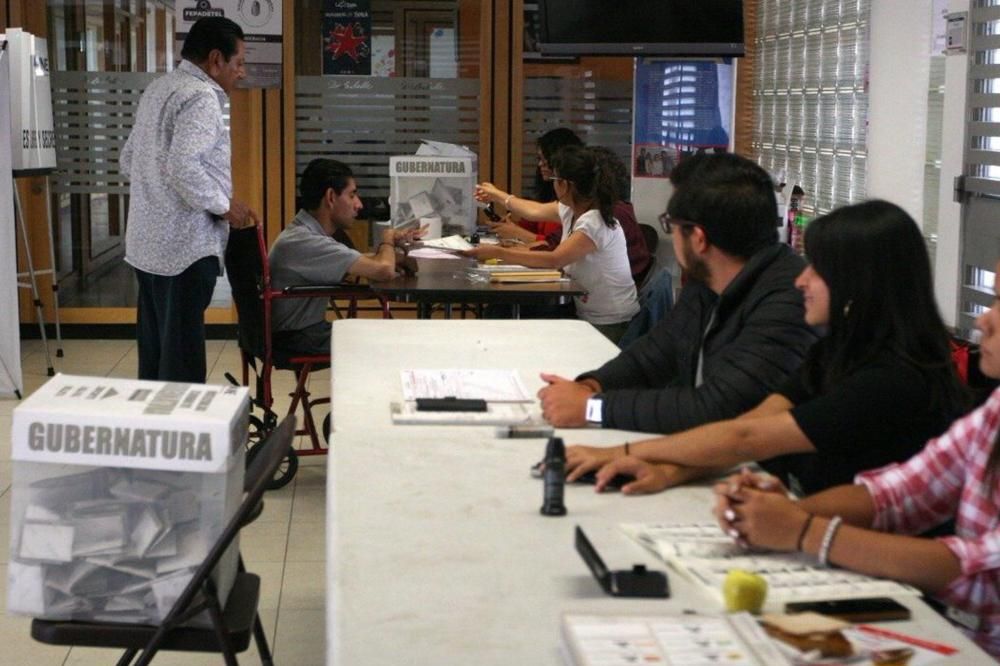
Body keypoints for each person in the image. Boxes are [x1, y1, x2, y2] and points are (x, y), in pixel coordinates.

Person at [566, 200, 968, 496]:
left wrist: (616, 447)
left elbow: (747, 436)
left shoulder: (892, 377)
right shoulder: (837, 349)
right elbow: (753, 424)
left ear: (858, 284)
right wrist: (669, 471)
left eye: (819, 269)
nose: (802, 280)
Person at [712, 263, 1000, 657]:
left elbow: (981, 576)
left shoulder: (896, 375)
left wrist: (802, 530)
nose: (984, 320)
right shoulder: (994, 411)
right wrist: (770, 513)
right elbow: (898, 494)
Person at [537, 152, 817, 432]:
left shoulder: (790, 301)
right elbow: (657, 351)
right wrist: (589, 386)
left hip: (752, 455)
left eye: (671, 223)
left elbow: (720, 408)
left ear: (698, 239)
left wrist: (592, 407)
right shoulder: (710, 277)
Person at [121, 17, 258, 383]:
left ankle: (155, 418)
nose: (242, 72)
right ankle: (180, 419)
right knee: (181, 365)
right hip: (183, 250)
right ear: (216, 59)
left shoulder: (159, 88)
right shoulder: (200, 96)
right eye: (239, 62)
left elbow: (128, 159)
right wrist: (224, 205)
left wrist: (158, 192)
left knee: (156, 356)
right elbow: (183, 167)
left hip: (147, 246)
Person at [468, 145, 639, 343]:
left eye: (555, 179)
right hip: (590, 313)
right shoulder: (572, 209)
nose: (552, 184)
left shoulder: (595, 221)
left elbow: (554, 259)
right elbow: (533, 210)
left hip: (611, 323)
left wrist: (498, 252)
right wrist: (497, 195)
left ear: (565, 185)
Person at [268, 158, 420, 356]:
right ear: (331, 197)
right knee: (388, 341)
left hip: (301, 332)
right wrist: (388, 238)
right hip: (296, 338)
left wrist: (395, 257)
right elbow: (384, 270)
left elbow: (360, 261)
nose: (359, 204)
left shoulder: (304, 234)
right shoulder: (306, 241)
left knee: (384, 336)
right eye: (352, 195)